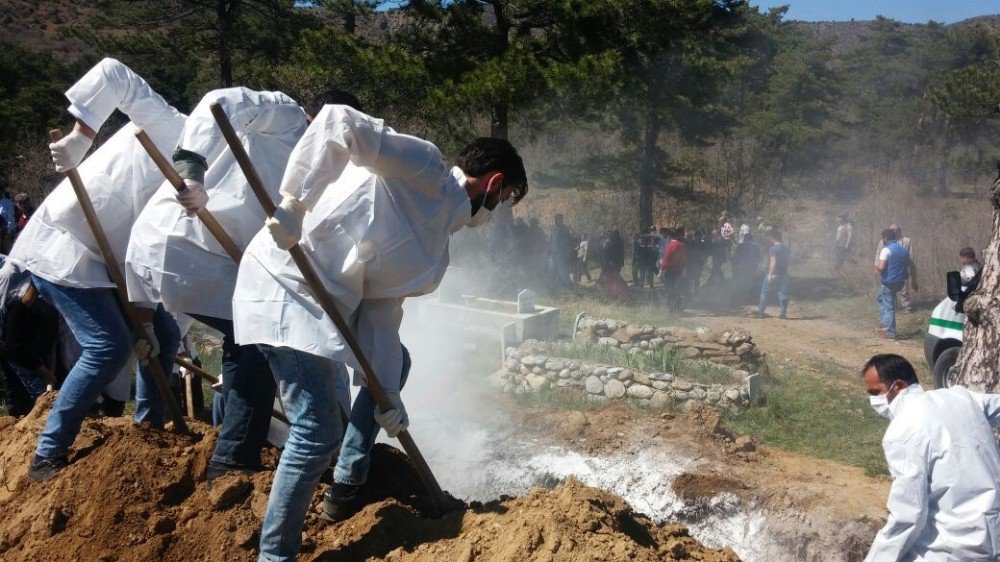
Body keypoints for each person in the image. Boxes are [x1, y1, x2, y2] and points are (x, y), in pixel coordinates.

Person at [229, 104, 527, 561]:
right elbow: (338, 122)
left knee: (361, 392)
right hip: (285, 280)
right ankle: (275, 555)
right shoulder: (424, 166)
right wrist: (295, 202)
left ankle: (346, 480)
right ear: (494, 184)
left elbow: (382, 317)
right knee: (315, 430)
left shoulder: (433, 257)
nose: (496, 212)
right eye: (504, 200)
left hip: (324, 311)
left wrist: (388, 394)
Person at [125, 85, 329, 482]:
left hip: (197, 257)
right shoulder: (286, 116)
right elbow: (217, 103)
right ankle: (232, 461)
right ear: (319, 120)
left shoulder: (313, 169)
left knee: (250, 340)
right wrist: (191, 171)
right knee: (259, 338)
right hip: (186, 238)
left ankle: (232, 447)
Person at [9, 58, 186, 481]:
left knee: (162, 335)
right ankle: (47, 454)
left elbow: (152, 251)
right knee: (108, 346)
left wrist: (144, 317)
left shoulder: (209, 186)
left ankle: (148, 431)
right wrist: (80, 138)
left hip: (111, 266)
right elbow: (112, 73)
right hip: (65, 247)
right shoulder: (171, 126)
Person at [861, 353, 1000, 561]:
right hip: (993, 538)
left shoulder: (902, 432)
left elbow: (907, 516)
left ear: (898, 386)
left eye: (876, 392)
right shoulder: (960, 396)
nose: (874, 401)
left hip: (952, 548)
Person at [875, 228, 912, 340]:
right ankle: (884, 324)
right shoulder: (903, 249)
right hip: (900, 282)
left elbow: (881, 268)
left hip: (889, 282)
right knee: (880, 298)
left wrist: (877, 266)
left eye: (882, 238)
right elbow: (910, 265)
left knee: (889, 306)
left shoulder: (886, 250)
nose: (881, 240)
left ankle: (890, 333)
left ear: (885, 238)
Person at [754, 229, 789, 319]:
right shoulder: (787, 248)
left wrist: (770, 274)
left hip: (774, 274)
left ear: (773, 238)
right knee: (782, 294)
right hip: (783, 274)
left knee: (764, 292)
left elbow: (773, 262)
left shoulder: (773, 249)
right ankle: (783, 314)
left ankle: (760, 312)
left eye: (770, 238)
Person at [659, 227, 687, 313]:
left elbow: (666, 259)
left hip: (669, 271)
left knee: (669, 290)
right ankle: (678, 306)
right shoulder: (682, 246)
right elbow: (684, 259)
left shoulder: (669, 246)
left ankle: (670, 308)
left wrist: (661, 271)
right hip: (678, 271)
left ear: (670, 236)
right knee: (676, 289)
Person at [732, 232, 762, 302]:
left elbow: (736, 257)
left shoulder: (741, 246)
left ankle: (741, 297)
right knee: (751, 281)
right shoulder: (756, 246)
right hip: (752, 267)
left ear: (745, 238)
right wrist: (756, 264)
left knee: (742, 281)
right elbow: (759, 257)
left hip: (742, 267)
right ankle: (750, 297)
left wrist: (736, 265)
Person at [548, 214, 574, 288]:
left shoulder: (565, 229)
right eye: (556, 219)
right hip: (553, 254)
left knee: (563, 273)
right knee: (552, 271)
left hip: (560, 254)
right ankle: (556, 289)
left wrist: (565, 253)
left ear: (562, 220)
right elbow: (552, 241)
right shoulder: (555, 229)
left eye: (559, 219)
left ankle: (571, 288)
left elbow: (567, 242)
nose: (557, 220)